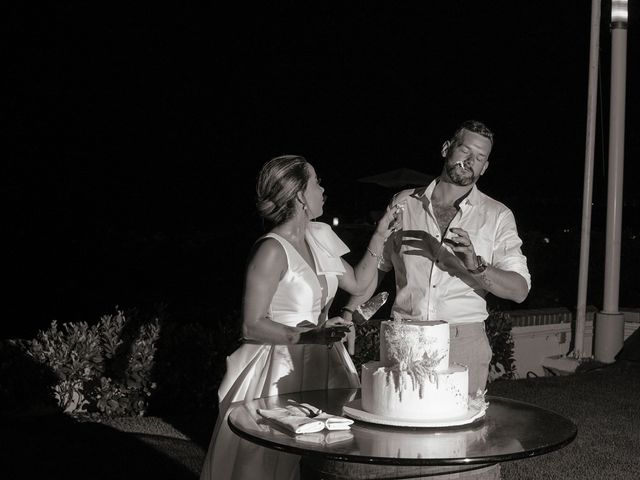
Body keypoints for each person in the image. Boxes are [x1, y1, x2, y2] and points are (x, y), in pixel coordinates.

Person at [199, 154, 402, 480]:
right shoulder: (270, 250)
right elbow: (251, 325)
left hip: (324, 362)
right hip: (279, 368)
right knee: (272, 458)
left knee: (325, 455)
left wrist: (380, 235)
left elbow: (360, 284)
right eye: (316, 182)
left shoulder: (319, 236)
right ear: (299, 195)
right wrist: (310, 336)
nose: (323, 189)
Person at [341, 119, 531, 398]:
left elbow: (519, 291)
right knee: (400, 427)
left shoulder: (497, 215)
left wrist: (474, 265)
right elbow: (377, 269)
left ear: (485, 167)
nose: (470, 161)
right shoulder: (404, 203)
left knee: (461, 436)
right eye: (465, 151)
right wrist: (349, 314)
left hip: (463, 341)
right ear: (446, 149)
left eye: (479, 158)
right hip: (403, 338)